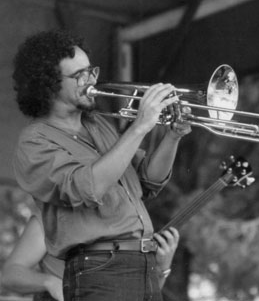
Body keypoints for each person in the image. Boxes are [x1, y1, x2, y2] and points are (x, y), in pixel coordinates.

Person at [11, 29, 191, 301]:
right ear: (48, 84)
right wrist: (140, 126)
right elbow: (87, 187)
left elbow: (147, 181)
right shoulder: (35, 142)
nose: (92, 80)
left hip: (141, 263)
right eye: (79, 75)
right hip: (101, 268)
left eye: (91, 71)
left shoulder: (98, 125)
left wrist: (172, 137)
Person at [0, 212, 180, 301]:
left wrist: (162, 267)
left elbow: (143, 294)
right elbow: (9, 274)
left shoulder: (134, 224)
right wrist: (50, 282)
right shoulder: (52, 216)